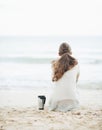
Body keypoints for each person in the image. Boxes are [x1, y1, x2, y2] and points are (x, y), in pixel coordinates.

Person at [48, 42, 80, 112]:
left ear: (59, 53)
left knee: (51, 99)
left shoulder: (55, 63)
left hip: (57, 101)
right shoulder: (76, 63)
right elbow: (76, 81)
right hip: (73, 101)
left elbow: (55, 79)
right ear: (70, 52)